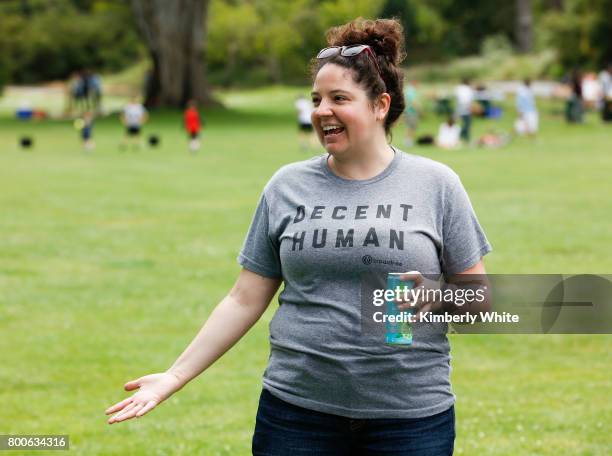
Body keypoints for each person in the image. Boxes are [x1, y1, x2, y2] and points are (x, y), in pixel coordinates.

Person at [105, 18, 492, 455]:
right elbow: (244, 297)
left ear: (380, 105)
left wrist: (434, 296)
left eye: (339, 98)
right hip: (296, 416)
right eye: (316, 99)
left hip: (410, 421)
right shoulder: (287, 186)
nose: (321, 110)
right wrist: (174, 376)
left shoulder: (436, 184)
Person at [454, 78, 474, 142]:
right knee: (467, 123)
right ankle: (463, 135)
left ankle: (460, 136)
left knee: (461, 122)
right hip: (466, 107)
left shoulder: (458, 88)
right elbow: (468, 99)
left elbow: (456, 97)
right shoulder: (468, 89)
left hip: (459, 107)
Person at [403, 80, 420, 147]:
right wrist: (419, 110)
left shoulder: (408, 90)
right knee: (411, 126)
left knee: (410, 126)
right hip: (411, 112)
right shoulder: (411, 91)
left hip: (407, 111)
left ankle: (408, 140)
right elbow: (413, 102)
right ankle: (408, 141)